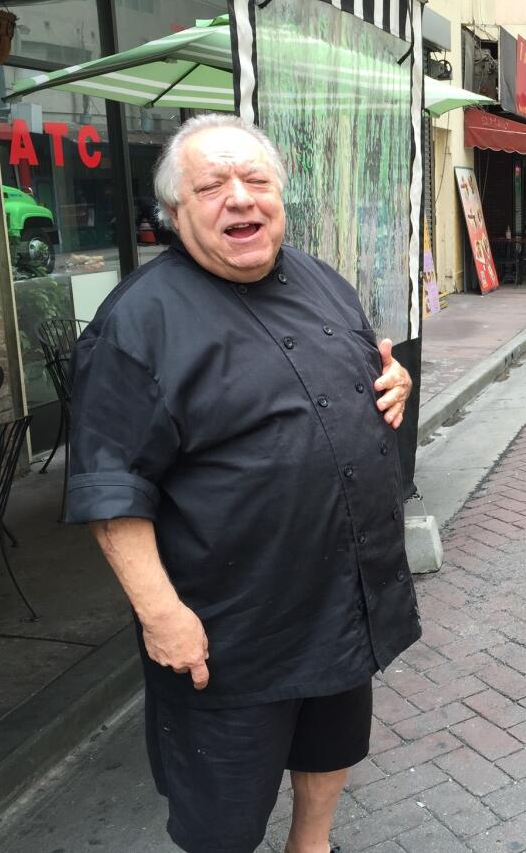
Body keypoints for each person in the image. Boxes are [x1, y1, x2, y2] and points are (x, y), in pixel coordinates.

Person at [66, 114, 420, 853]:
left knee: (332, 743)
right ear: (173, 213)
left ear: (280, 197)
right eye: (212, 186)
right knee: (222, 811)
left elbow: (368, 373)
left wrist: (393, 382)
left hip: (339, 594)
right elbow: (110, 487)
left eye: (256, 181)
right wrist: (162, 616)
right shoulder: (138, 324)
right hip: (230, 623)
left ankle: (311, 846)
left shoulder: (321, 280)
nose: (240, 199)